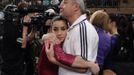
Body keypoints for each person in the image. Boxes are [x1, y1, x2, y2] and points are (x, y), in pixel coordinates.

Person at [43, 0, 99, 75]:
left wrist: (54, 60)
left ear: (76, 7)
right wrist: (46, 36)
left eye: (65, 2)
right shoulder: (72, 27)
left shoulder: (83, 28)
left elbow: (83, 68)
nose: (60, 5)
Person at [89, 10, 111, 75]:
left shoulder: (88, 32)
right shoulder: (107, 37)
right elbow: (106, 53)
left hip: (87, 65)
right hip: (100, 66)